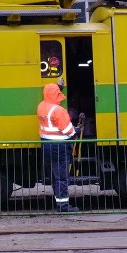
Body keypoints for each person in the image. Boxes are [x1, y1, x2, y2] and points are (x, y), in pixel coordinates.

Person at [37, 83, 80, 213]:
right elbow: (68, 131)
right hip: (60, 146)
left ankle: (59, 203)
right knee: (62, 177)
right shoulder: (59, 110)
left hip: (46, 144)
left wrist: (58, 86)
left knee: (55, 176)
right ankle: (64, 207)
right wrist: (76, 130)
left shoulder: (41, 106)